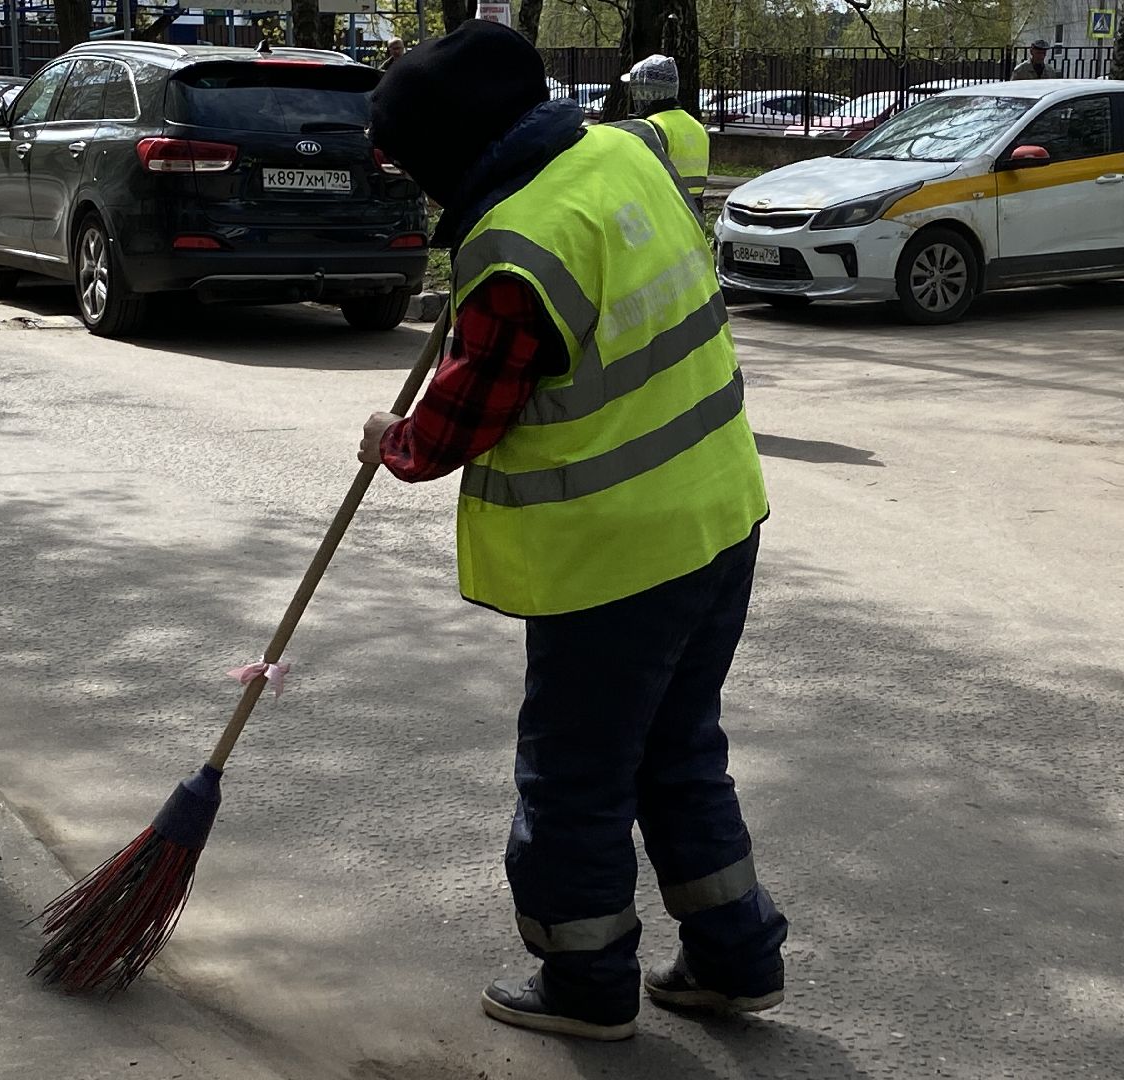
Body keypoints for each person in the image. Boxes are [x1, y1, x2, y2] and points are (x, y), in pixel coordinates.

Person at [361, 19, 788, 1044]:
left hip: (616, 558)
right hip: (719, 514)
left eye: (420, 173)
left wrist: (396, 440)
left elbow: (465, 421)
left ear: (449, 156)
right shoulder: (616, 154)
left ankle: (587, 981)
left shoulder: (515, 247)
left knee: (575, 775)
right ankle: (735, 961)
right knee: (679, 750)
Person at [612, 53, 710, 212]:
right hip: (693, 212)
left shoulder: (651, 128)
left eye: (634, 88)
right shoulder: (697, 126)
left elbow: (638, 180)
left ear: (644, 90)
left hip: (663, 210)